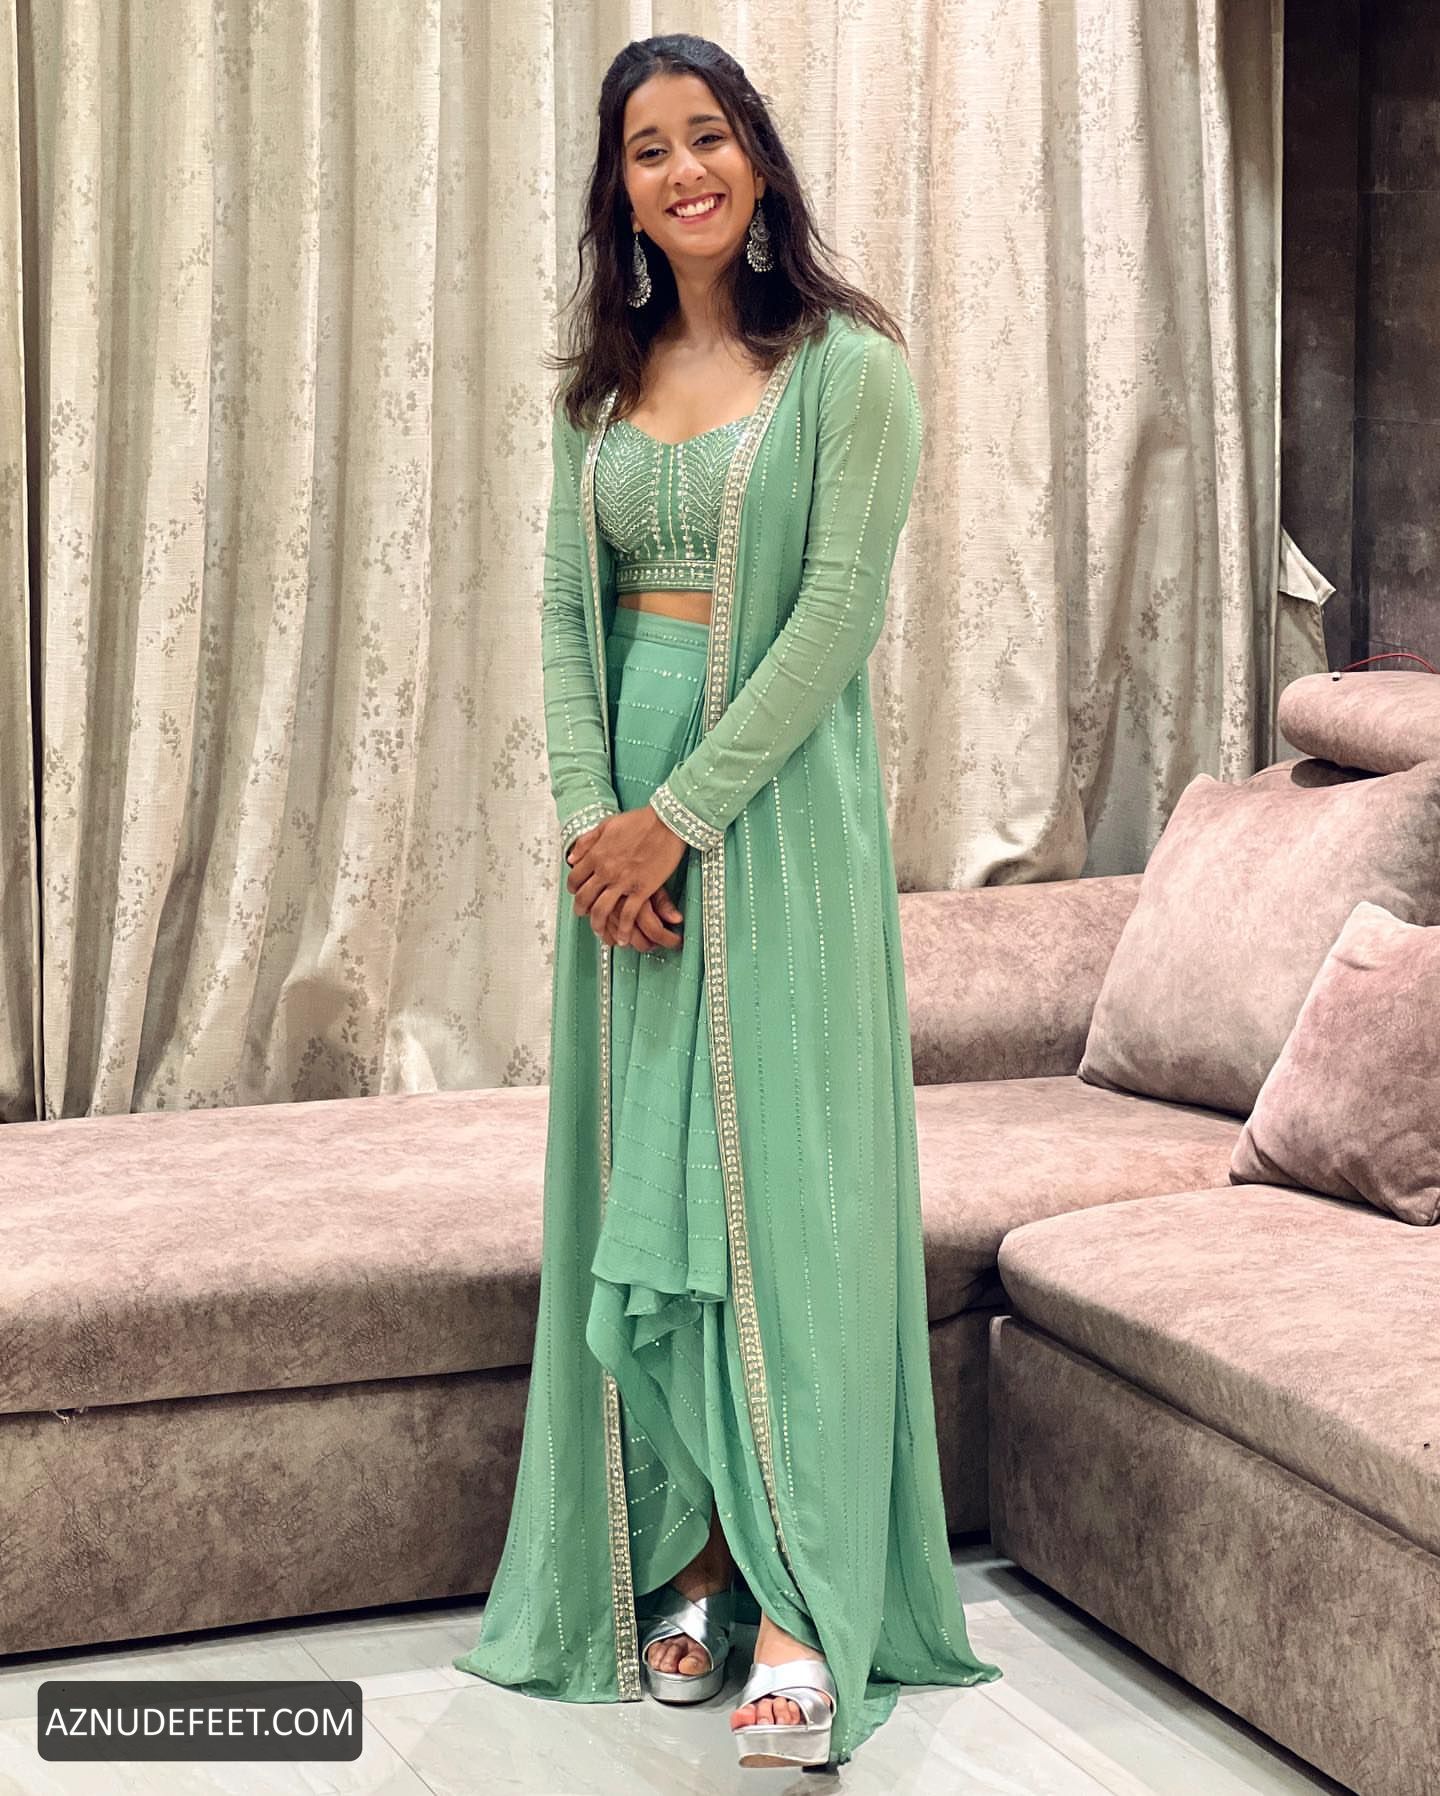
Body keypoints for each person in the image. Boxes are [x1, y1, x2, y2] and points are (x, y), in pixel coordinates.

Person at [453, 31, 1002, 1770]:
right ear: (617, 192)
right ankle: (687, 1555)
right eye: (647, 149)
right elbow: (565, 619)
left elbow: (833, 618)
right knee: (654, 1187)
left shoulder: (851, 371)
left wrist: (677, 820)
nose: (682, 169)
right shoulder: (596, 398)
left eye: (708, 137)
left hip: (774, 827)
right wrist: (591, 827)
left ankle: (801, 1603)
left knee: (787, 1195)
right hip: (619, 851)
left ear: (757, 160)